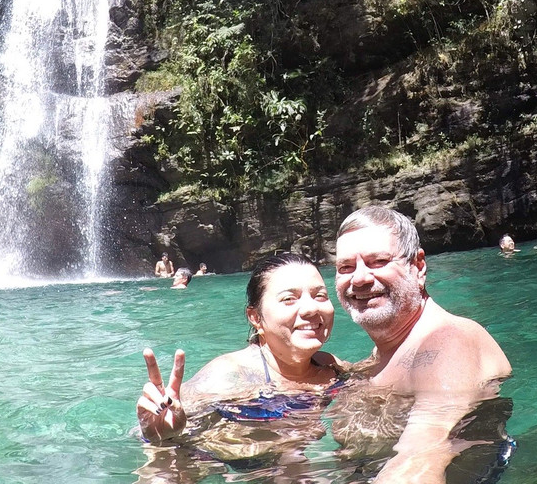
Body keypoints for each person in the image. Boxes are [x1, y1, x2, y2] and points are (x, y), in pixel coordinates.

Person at [331, 205, 512, 484]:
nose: (359, 278)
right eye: (345, 267)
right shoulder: (382, 356)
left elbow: (421, 458)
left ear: (418, 267)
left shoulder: (448, 342)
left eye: (378, 261)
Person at [136, 252, 343, 447]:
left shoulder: (333, 367)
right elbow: (161, 425)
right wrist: (161, 437)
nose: (311, 308)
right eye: (289, 299)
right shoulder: (228, 377)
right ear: (255, 318)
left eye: (320, 296)